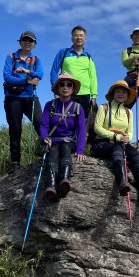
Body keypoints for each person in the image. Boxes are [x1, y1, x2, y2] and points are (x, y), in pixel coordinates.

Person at [91, 80, 139, 205]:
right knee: (116, 149)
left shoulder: (128, 112)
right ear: (113, 93)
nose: (121, 94)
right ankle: (122, 182)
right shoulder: (104, 108)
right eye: (118, 91)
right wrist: (116, 136)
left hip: (120, 143)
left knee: (135, 156)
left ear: (127, 96)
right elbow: (97, 128)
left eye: (124, 92)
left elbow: (129, 132)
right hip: (101, 143)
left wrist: (126, 138)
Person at [40, 72, 86, 201]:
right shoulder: (50, 105)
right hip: (52, 141)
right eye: (62, 84)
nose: (65, 87)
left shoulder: (78, 107)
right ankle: (51, 187)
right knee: (53, 152)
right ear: (58, 88)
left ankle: (64, 181)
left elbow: (82, 129)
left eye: (69, 85)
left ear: (73, 89)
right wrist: (45, 137)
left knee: (65, 148)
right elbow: (44, 125)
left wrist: (80, 150)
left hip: (69, 141)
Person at [3, 31, 43, 172]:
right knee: (15, 130)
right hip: (13, 98)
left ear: (34, 44)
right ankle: (15, 163)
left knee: (41, 124)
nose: (27, 42)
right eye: (25, 40)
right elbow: (7, 77)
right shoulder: (11, 57)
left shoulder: (36, 60)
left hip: (30, 97)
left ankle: (45, 151)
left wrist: (27, 72)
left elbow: (40, 75)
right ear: (19, 42)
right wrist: (26, 81)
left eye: (30, 41)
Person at [50, 25, 98, 118]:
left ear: (85, 39)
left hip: (85, 94)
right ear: (72, 38)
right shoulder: (63, 52)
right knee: (65, 121)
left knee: (83, 124)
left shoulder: (88, 57)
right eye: (76, 35)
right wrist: (56, 91)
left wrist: (94, 96)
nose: (79, 38)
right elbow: (54, 71)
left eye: (81, 35)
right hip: (67, 92)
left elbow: (93, 76)